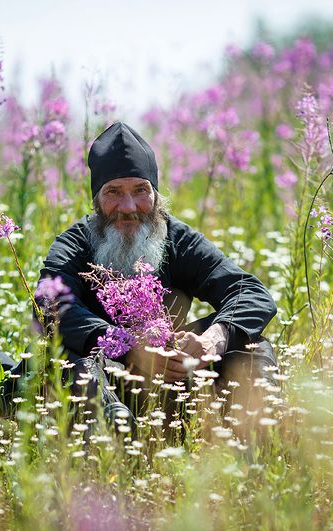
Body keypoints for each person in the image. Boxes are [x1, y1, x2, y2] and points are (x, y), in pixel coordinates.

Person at [34, 122, 279, 439]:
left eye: (140, 191)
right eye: (113, 192)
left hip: (174, 376)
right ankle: (114, 440)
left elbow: (250, 292)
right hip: (110, 376)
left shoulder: (176, 238)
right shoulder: (75, 244)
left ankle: (266, 436)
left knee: (252, 345)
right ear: (96, 200)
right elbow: (51, 304)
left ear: (156, 194)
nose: (128, 208)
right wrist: (128, 346)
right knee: (84, 366)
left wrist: (212, 339)